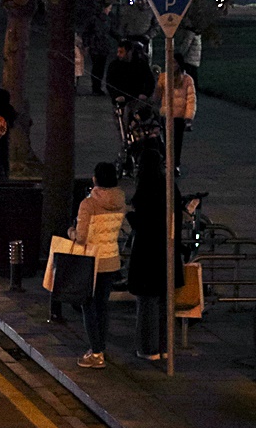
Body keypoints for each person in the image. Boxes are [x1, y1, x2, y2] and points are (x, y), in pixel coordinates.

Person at [68, 162, 127, 369]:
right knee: (102, 305)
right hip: (111, 259)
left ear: (96, 179)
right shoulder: (120, 200)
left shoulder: (89, 204)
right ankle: (101, 347)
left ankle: (96, 352)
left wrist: (71, 232)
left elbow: (82, 237)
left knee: (88, 305)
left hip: (91, 261)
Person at [126, 148, 181, 361]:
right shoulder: (169, 186)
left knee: (147, 303)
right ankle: (165, 346)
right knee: (164, 302)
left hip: (147, 253)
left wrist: (130, 216)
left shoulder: (146, 188)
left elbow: (143, 222)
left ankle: (148, 348)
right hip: (166, 250)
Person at [153, 56, 196, 170]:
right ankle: (167, 160)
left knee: (177, 141)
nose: (172, 65)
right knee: (166, 139)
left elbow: (191, 99)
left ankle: (175, 163)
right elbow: (156, 97)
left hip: (179, 115)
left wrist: (188, 117)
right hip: (166, 114)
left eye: (175, 62)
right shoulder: (164, 78)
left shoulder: (187, 79)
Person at [81, 2, 114, 95]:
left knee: (98, 68)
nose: (109, 10)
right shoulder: (106, 20)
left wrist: (86, 44)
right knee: (99, 68)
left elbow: (86, 33)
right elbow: (111, 31)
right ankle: (96, 87)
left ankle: (96, 87)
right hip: (99, 46)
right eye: (109, 8)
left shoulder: (95, 19)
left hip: (97, 46)